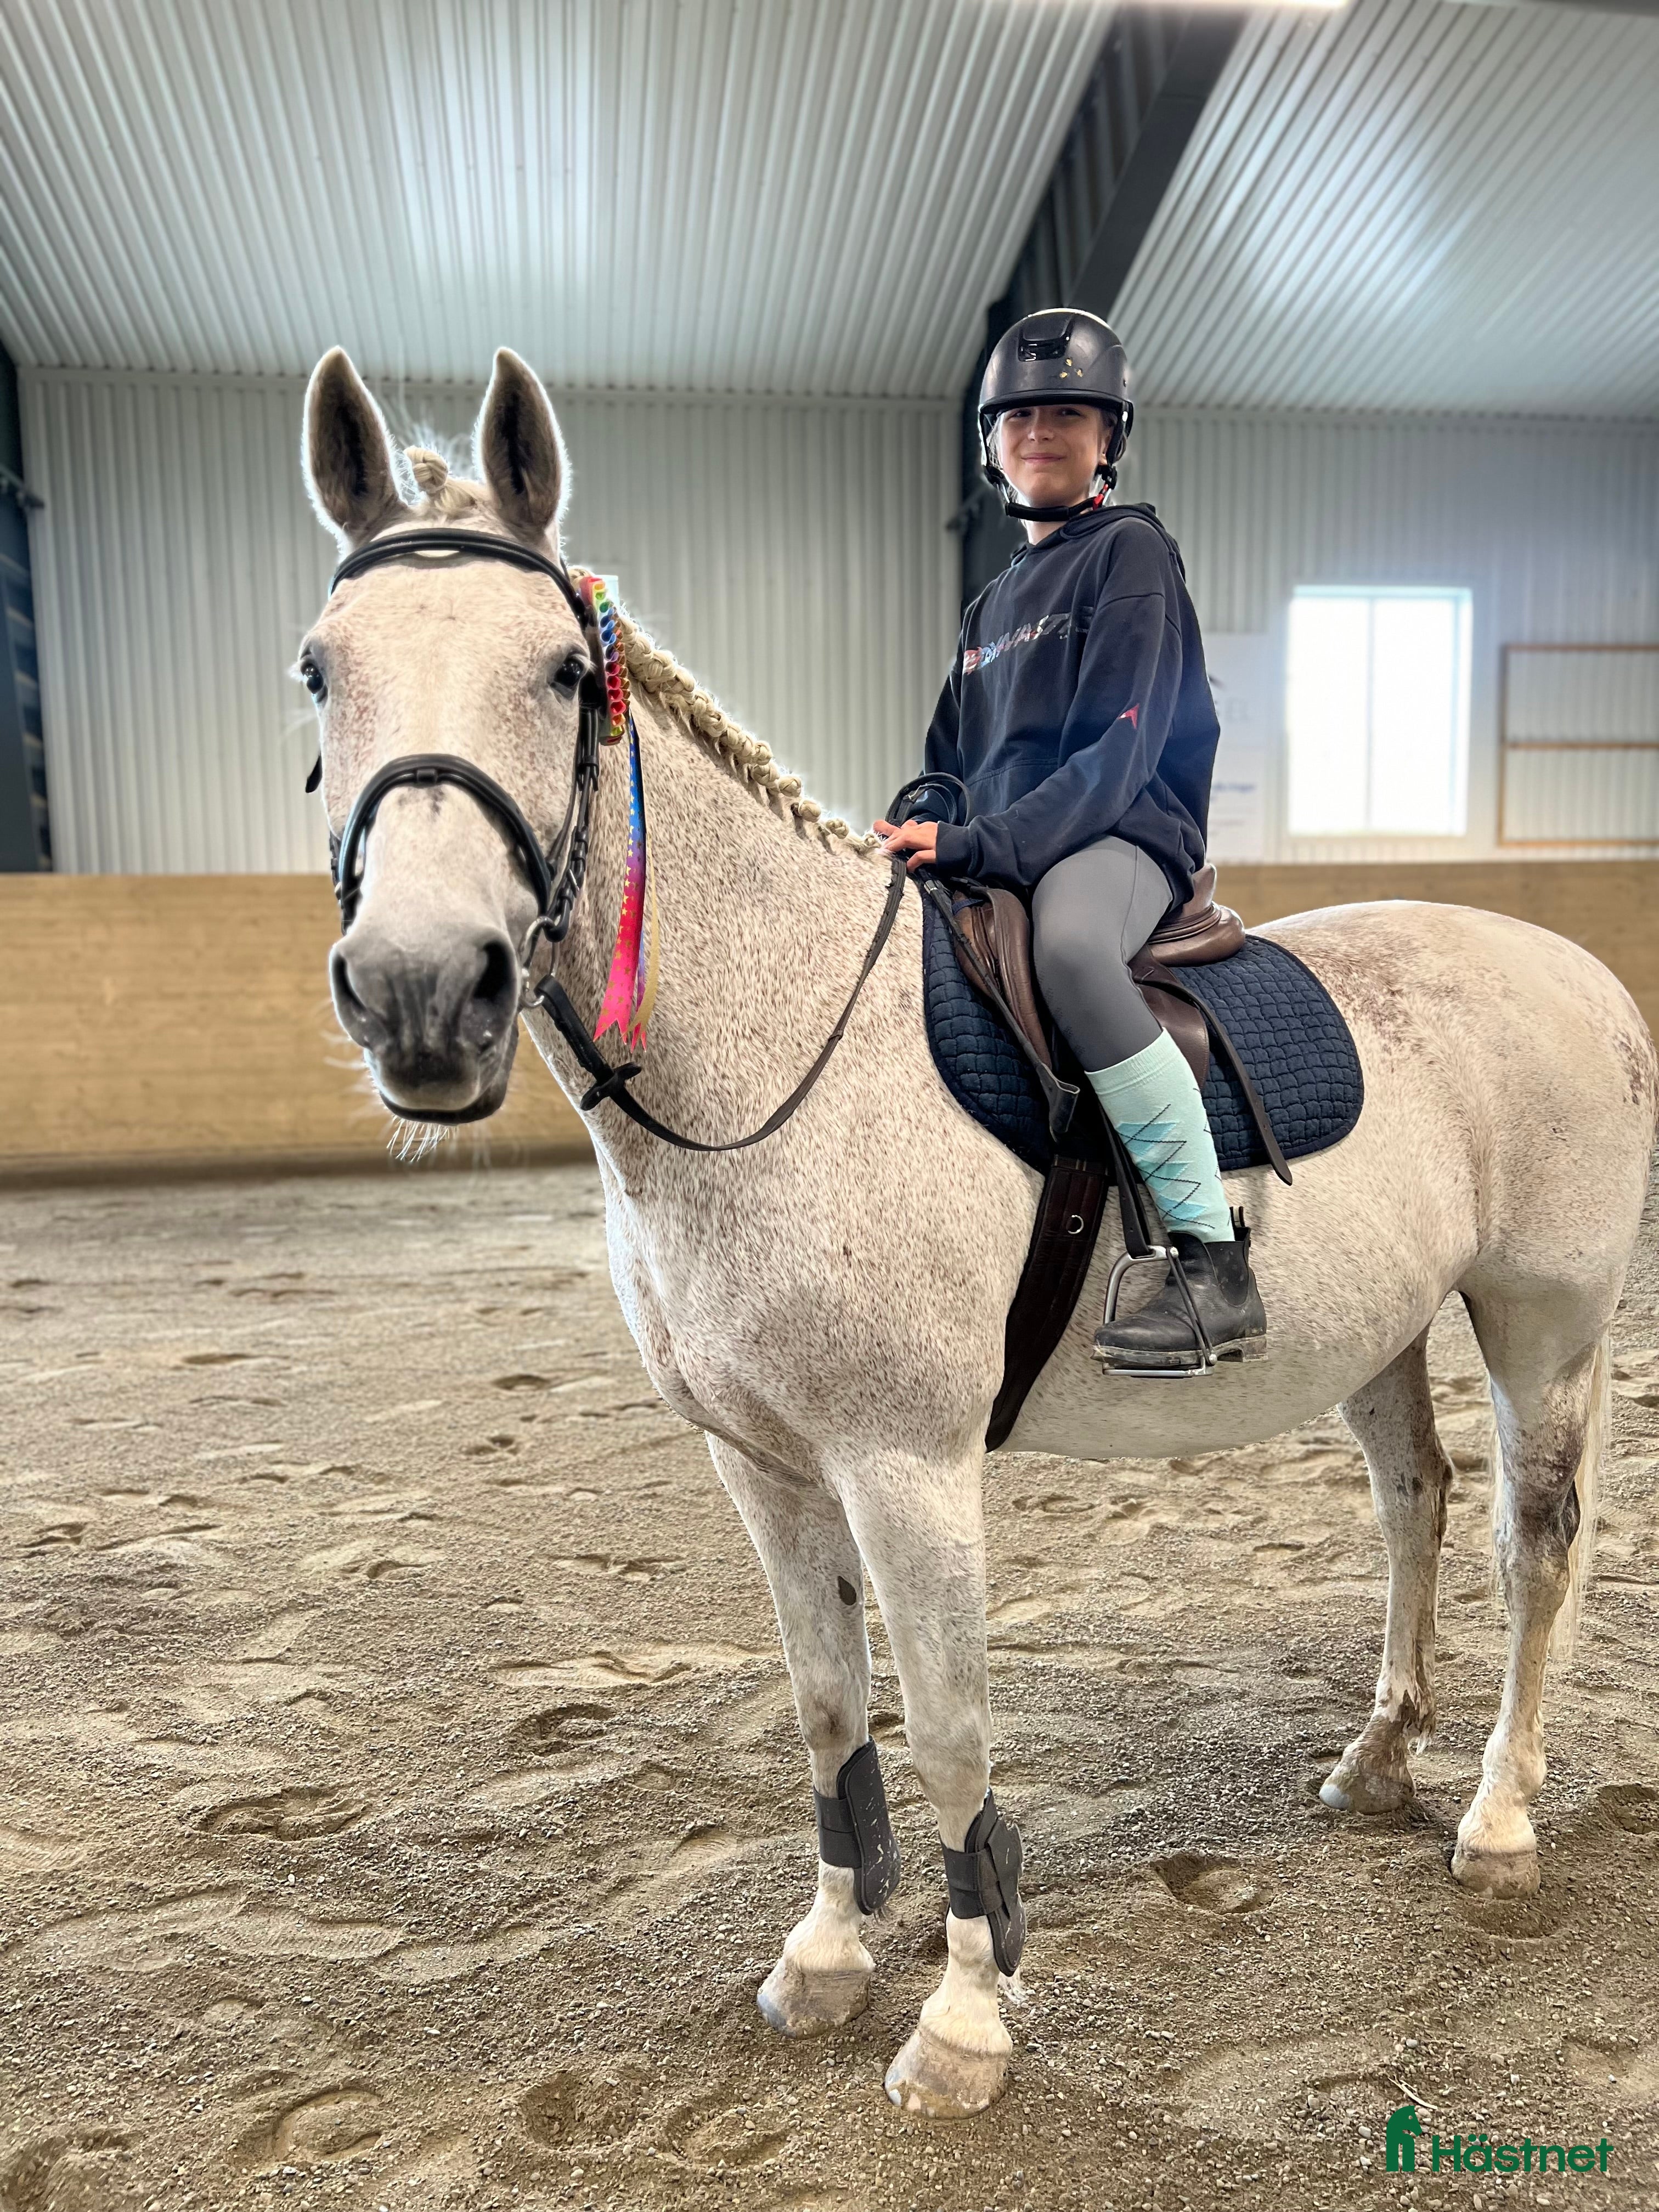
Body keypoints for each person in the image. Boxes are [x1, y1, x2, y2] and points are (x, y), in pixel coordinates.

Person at [875, 307, 1266, 1372]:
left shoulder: (1130, 552)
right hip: (1007, 840)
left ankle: (1210, 1258)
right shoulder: (989, 605)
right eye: (1020, 417)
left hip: (1118, 834)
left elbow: (1119, 750)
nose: (1040, 431)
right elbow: (948, 756)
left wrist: (985, 846)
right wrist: (926, 829)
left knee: (1072, 949)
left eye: (1068, 414)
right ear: (992, 444)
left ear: (1108, 438)